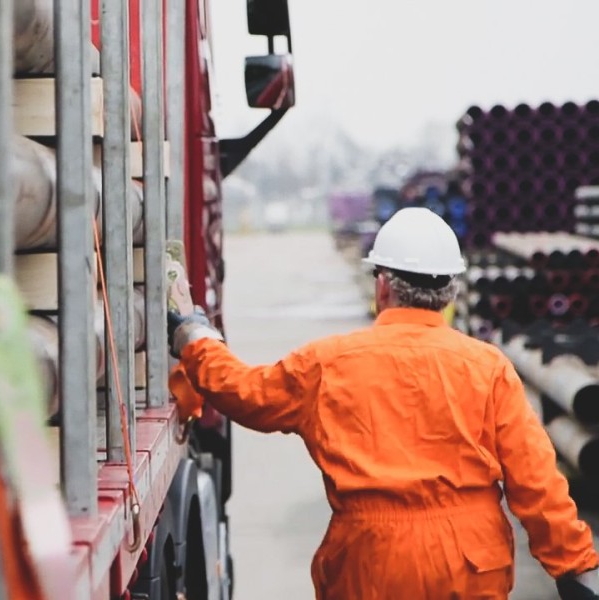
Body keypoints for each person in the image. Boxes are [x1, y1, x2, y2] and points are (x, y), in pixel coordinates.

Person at [167, 207, 599, 600]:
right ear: (449, 291)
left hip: (371, 562)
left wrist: (195, 336)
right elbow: (536, 481)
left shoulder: (328, 362)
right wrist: (573, 566)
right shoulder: (488, 367)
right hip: (470, 562)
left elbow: (246, 393)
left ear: (382, 285)